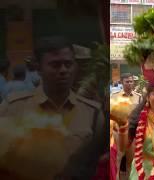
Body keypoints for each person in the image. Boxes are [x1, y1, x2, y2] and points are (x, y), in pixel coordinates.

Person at [0, 36, 106, 179]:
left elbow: (98, 165)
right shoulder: (13, 107)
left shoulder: (93, 113)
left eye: (68, 64)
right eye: (55, 65)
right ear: (38, 68)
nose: (63, 70)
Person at [110, 72, 142, 179]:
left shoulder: (139, 97)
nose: (129, 83)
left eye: (131, 81)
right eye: (127, 81)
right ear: (122, 82)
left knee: (131, 162)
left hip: (132, 134)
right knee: (117, 161)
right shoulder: (114, 97)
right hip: (118, 134)